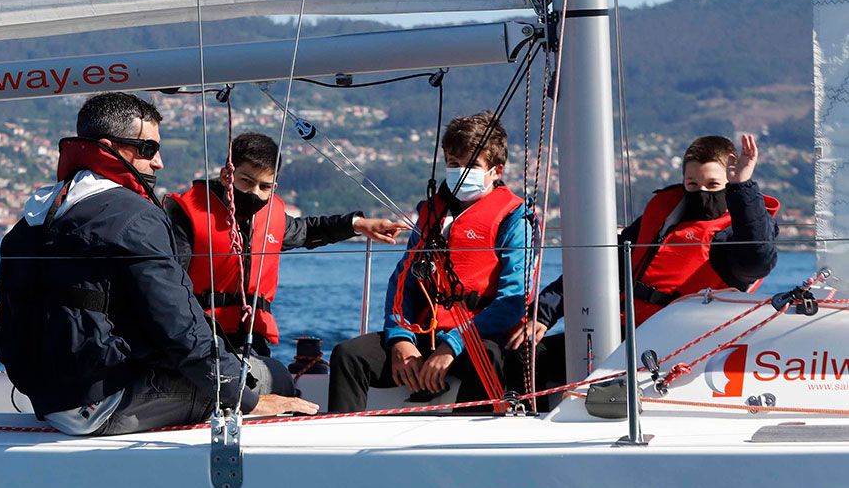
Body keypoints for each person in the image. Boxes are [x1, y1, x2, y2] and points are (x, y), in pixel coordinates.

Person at [0, 91, 316, 435]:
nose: (158, 162)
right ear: (110, 147)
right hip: (107, 404)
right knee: (273, 375)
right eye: (148, 149)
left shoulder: (34, 217)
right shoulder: (134, 216)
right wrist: (248, 400)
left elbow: (6, 332)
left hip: (48, 403)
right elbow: (179, 326)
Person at [510, 134, 778, 389]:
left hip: (680, 345)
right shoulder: (662, 216)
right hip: (623, 332)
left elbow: (757, 262)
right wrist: (544, 314)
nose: (702, 192)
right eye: (693, 184)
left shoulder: (736, 232)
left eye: (713, 185)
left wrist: (742, 186)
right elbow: (599, 268)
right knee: (516, 358)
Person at [164, 132, 405, 391]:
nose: (255, 193)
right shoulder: (187, 215)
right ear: (227, 176)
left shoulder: (272, 217)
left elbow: (308, 231)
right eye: (246, 182)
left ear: (273, 187)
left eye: (264, 187)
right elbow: (168, 286)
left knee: (282, 385)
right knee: (266, 388)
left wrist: (357, 225)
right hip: (200, 339)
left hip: (250, 339)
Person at [328, 112, 535, 413]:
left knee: (488, 358)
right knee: (348, 355)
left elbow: (513, 301)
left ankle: (466, 451)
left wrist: (453, 344)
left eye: (471, 165)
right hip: (424, 333)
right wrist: (400, 339)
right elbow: (403, 284)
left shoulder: (515, 218)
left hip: (478, 339)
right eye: (453, 163)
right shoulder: (430, 214)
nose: (460, 172)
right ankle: (341, 450)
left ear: (495, 170)